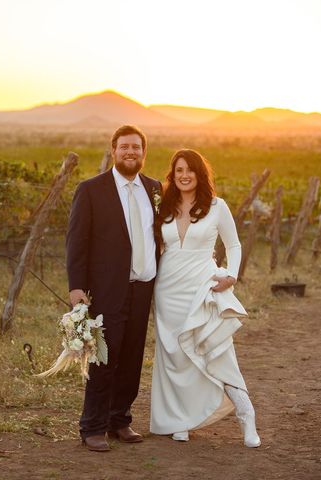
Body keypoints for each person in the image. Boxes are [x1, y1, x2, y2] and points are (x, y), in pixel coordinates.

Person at [149, 149, 261, 447]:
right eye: (178, 170)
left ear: (200, 173)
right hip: (168, 289)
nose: (184, 175)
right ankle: (182, 419)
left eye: (190, 169)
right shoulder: (164, 206)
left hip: (203, 287)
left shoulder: (216, 206)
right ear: (172, 175)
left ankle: (246, 415)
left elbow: (234, 245)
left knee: (217, 352)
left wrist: (232, 276)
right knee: (175, 356)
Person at [66, 124, 161, 452]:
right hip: (105, 289)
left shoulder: (155, 188)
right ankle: (92, 426)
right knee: (103, 357)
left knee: (133, 356)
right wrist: (76, 287)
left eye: (136, 147)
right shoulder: (92, 189)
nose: (130, 152)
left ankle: (119, 419)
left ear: (143, 153)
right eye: (125, 147)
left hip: (144, 287)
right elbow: (77, 241)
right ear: (114, 150)